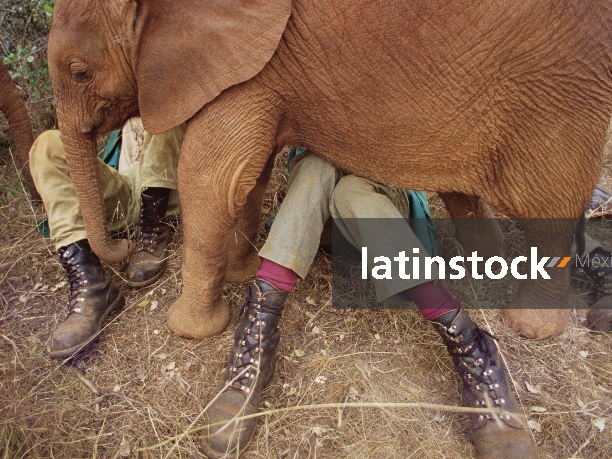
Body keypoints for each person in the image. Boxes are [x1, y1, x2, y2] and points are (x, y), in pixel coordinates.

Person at [199, 150, 538, 459]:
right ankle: (257, 337)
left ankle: (469, 344)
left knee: (352, 192)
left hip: (382, 192)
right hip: (318, 205)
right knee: (318, 167)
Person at [28, 119, 184, 360]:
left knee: (164, 115)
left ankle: (154, 229)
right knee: (47, 143)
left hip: (170, 188)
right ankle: (92, 284)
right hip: (123, 188)